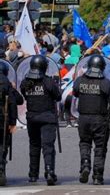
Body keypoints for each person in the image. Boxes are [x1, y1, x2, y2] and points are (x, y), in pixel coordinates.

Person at [72, 55, 110, 185]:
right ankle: (97, 176)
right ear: (102, 67)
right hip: (100, 119)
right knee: (100, 147)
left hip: (83, 118)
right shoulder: (105, 82)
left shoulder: (80, 80)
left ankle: (85, 165)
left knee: (85, 143)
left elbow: (75, 92)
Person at [20, 56, 61, 186]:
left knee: (34, 145)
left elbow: (24, 94)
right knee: (48, 146)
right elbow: (58, 96)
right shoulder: (48, 81)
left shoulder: (25, 82)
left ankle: (33, 174)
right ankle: (49, 171)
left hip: (32, 118)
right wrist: (55, 82)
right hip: (47, 117)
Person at [0, 62, 21, 186]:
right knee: (2, 145)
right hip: (3, 119)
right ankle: (1, 168)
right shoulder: (7, 84)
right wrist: (13, 123)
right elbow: (14, 103)